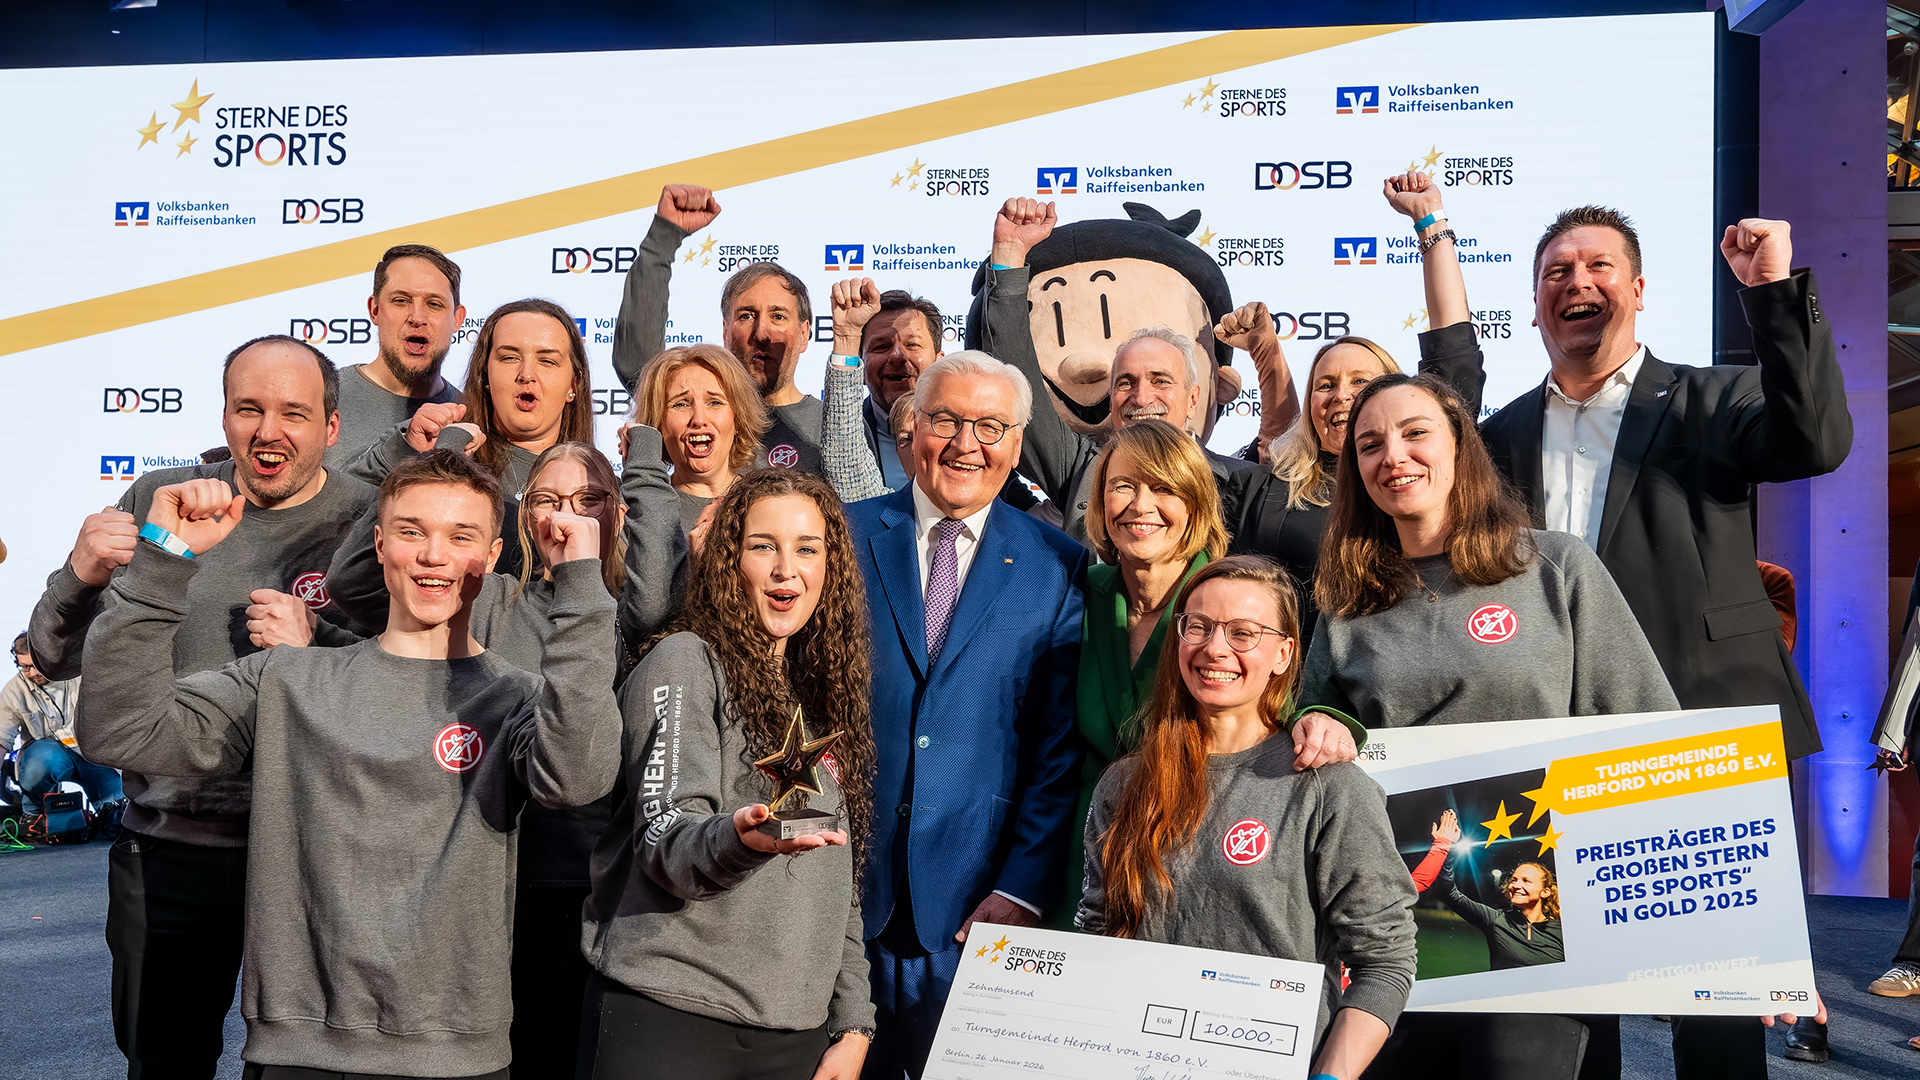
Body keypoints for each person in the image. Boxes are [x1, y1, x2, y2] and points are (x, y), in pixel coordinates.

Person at [1451, 210, 1852, 1073]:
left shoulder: (1711, 398)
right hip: (1555, 740)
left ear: (1636, 291)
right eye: (1557, 272)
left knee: (1711, 1009)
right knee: (1565, 988)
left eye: (1600, 266)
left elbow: (1817, 439)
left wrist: (1772, 291)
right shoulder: (1503, 437)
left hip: (1698, 733)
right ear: (1533, 306)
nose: (1578, 283)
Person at [77, 450, 622, 1079]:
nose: (434, 555)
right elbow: (121, 730)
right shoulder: (287, 679)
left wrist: (583, 589)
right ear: (380, 543)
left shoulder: (516, 698)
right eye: (413, 531)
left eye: (461, 536)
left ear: (492, 557)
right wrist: (163, 561)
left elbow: (578, 775)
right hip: (299, 1052)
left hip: (456, 1055)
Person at [1300, 372, 1678, 1080]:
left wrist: (1749, 934)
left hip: (1554, 935)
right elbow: (1318, 721)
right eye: (1370, 445)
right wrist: (1320, 721)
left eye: (1415, 434)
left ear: (1459, 447)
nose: (1393, 457)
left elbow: (1653, 737)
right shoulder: (1346, 604)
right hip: (1391, 931)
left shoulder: (1555, 567)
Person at [25, 334, 376, 1078]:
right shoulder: (163, 499)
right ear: (223, 417)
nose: (269, 432)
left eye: (294, 413)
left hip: (318, 855)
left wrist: (319, 644)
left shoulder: (372, 522)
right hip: (170, 847)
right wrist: (78, 576)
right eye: (249, 409)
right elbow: (56, 658)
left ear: (333, 428)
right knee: (163, 1061)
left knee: (308, 1069)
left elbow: (407, 681)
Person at [324, 435, 685, 1080]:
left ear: (617, 512)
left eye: (588, 501)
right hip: (497, 878)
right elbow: (352, 584)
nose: (565, 516)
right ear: (523, 519)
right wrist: (432, 460)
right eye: (547, 500)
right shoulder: (493, 599)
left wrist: (647, 461)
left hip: (605, 885)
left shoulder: (634, 616)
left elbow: (654, 584)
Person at [579, 468, 876, 1080]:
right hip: (669, 1016)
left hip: (794, 1035)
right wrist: (739, 841)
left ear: (831, 568)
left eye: (806, 549)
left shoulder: (819, 695)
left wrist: (853, 1021)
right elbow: (666, 837)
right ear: (727, 558)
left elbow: (837, 880)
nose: (785, 569)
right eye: (762, 545)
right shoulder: (684, 661)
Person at [841, 351, 1085, 1079]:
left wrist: (1020, 886)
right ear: (911, 428)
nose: (965, 443)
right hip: (842, 898)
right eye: (945, 419)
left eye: (989, 425)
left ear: (1015, 443)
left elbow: (1058, 747)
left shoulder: (1059, 563)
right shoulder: (840, 537)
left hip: (978, 907)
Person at [1078, 555, 1417, 1078]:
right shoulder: (1122, 785)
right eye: (1200, 626)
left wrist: (1329, 1075)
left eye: (1244, 633)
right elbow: (1099, 932)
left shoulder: (1329, 788)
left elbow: (1385, 962)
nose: (1216, 648)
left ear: (1283, 653)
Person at [1055, 419, 1358, 925]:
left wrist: (1321, 719)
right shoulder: (1074, 593)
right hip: (1084, 864)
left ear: (1195, 502)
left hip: (1197, 864)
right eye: (1122, 486)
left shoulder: (1233, 600)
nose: (1139, 505)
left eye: (1163, 488)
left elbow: (1275, 701)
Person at [1221, 170, 1484, 645]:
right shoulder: (1269, 487)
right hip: (1287, 700)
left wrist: (1430, 221)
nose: (1341, 395)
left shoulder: (1423, 469)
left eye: (1361, 382)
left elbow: (1454, 349)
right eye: (1325, 384)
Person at [973, 198, 1272, 541]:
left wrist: (1269, 357)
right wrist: (1009, 256)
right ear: (1112, 398)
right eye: (1125, 383)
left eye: (1160, 380)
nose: (1141, 396)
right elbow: (1018, 376)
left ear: (1193, 399)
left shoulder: (1244, 484)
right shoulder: (1079, 469)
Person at [350, 298, 597, 580]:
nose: (527, 374)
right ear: (485, 375)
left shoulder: (598, 486)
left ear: (573, 385)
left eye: (547, 361)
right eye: (509, 357)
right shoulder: (443, 454)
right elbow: (353, 576)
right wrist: (421, 462)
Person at [613, 184, 825, 473]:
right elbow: (640, 366)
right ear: (725, 331)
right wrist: (663, 239)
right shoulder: (694, 414)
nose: (762, 333)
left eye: (778, 317)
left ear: (804, 334)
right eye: (747, 316)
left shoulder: (834, 424)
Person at [325, 243, 468, 469]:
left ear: (457, 319)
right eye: (401, 300)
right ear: (375, 310)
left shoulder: (470, 414)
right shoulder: (321, 397)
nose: (417, 317)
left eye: (434, 304)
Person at [627, 342, 770, 541]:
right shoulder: (639, 511)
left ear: (738, 417)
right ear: (658, 423)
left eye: (715, 402)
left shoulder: (772, 502)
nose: (699, 419)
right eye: (681, 404)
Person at [2, 633, 120, 833]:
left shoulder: (82, 674)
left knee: (118, 820)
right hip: (47, 755)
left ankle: (106, 817)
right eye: (24, 667)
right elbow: (1, 737)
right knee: (42, 759)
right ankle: (32, 815)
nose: (31, 672)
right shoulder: (14, 690)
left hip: (92, 756)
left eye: (36, 665)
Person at [1428, 811, 1564, 968]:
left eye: (1526, 881)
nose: (1516, 885)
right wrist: (1445, 846)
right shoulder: (1497, 920)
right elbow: (1447, 892)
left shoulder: (1562, 930)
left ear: (1545, 892)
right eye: (1514, 880)